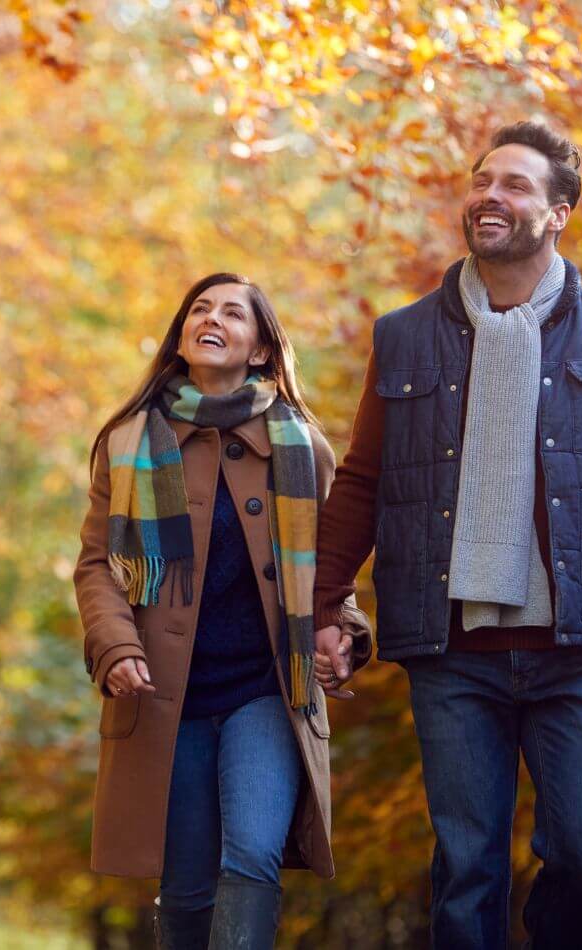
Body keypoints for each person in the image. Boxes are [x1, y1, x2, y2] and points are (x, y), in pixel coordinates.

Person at [312, 121, 582, 949]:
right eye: (480, 182)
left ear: (558, 213)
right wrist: (325, 604)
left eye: (513, 185)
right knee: (467, 871)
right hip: (452, 651)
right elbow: (364, 481)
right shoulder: (404, 336)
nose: (488, 198)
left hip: (574, 651)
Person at [75, 273, 371, 949]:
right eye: (200, 309)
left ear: (262, 348)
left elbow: (330, 577)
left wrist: (344, 635)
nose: (212, 319)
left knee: (252, 858)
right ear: (182, 336)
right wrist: (116, 646)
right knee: (186, 887)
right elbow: (97, 566)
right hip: (166, 696)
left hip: (267, 688)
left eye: (233, 313)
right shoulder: (127, 444)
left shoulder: (303, 448)